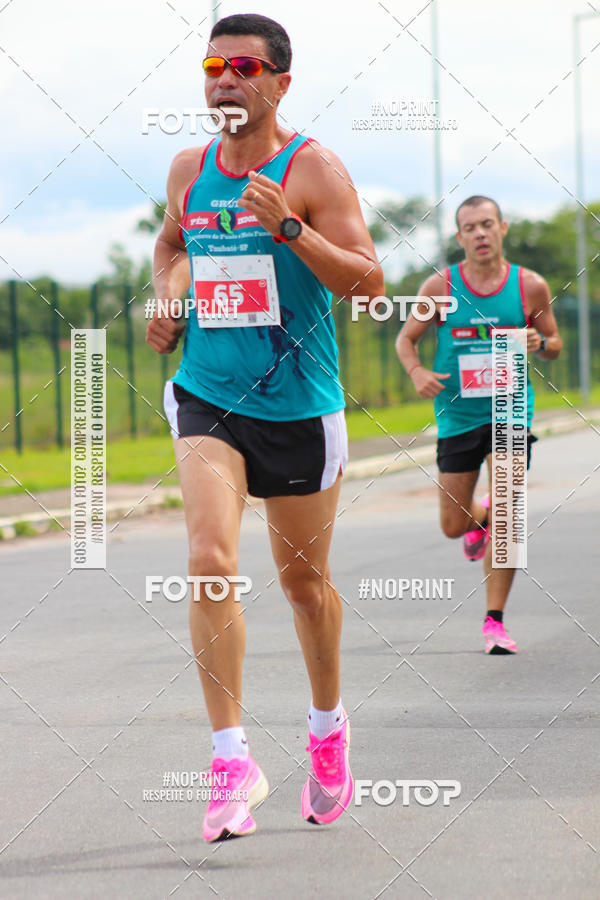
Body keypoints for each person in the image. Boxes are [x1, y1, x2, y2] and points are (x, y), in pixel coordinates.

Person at [146, 13, 384, 841]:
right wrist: (167, 298)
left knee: (302, 587)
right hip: (208, 397)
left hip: (298, 408)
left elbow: (367, 283)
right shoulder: (189, 168)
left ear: (280, 82)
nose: (225, 78)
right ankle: (230, 757)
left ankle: (326, 730)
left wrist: (290, 225)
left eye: (244, 66)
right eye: (214, 63)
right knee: (210, 560)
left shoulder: (312, 168)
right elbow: (170, 247)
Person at [396, 195, 562, 654]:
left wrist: (540, 340)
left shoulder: (529, 286)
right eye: (470, 228)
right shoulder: (439, 288)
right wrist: (417, 373)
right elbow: (406, 340)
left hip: (510, 408)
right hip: (458, 415)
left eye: (487, 224)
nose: (480, 234)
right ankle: (479, 518)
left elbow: (554, 343)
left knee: (510, 517)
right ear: (459, 236)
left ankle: (495, 622)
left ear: (503, 228)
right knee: (452, 524)